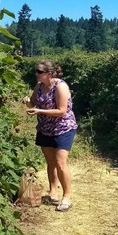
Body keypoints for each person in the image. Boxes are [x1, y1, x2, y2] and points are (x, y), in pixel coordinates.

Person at [24, 60, 78, 212]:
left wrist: (40, 111)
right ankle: (52, 191)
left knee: (60, 162)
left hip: (63, 128)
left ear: (49, 73)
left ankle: (66, 197)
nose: (36, 74)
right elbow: (33, 103)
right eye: (36, 71)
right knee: (50, 162)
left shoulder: (60, 87)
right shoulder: (39, 86)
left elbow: (62, 111)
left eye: (39, 72)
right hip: (45, 129)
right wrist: (28, 102)